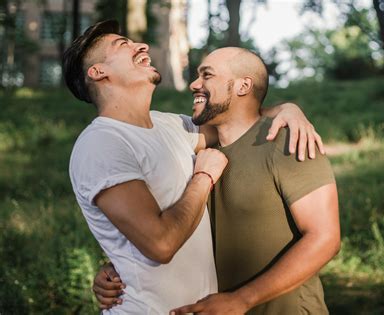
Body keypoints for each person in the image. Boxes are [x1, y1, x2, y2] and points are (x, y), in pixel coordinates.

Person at [64, 20, 324, 314]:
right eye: (123, 45)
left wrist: (289, 109)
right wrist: (203, 177)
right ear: (99, 72)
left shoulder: (171, 125)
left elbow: (238, 116)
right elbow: (160, 243)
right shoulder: (102, 144)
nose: (142, 45)